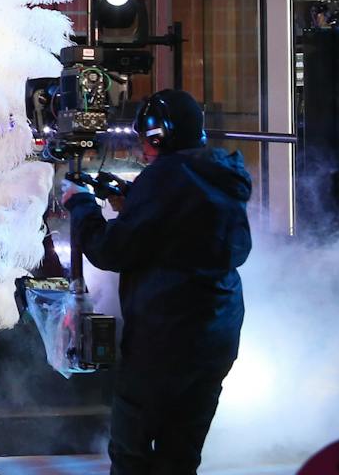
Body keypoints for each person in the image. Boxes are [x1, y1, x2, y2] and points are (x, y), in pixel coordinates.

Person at [67, 89, 251, 475]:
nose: (143, 150)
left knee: (131, 450)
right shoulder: (220, 174)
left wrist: (81, 203)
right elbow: (183, 224)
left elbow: (109, 251)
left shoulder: (163, 177)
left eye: (146, 141)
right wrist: (131, 198)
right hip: (217, 336)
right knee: (181, 455)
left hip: (164, 340)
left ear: (159, 136)